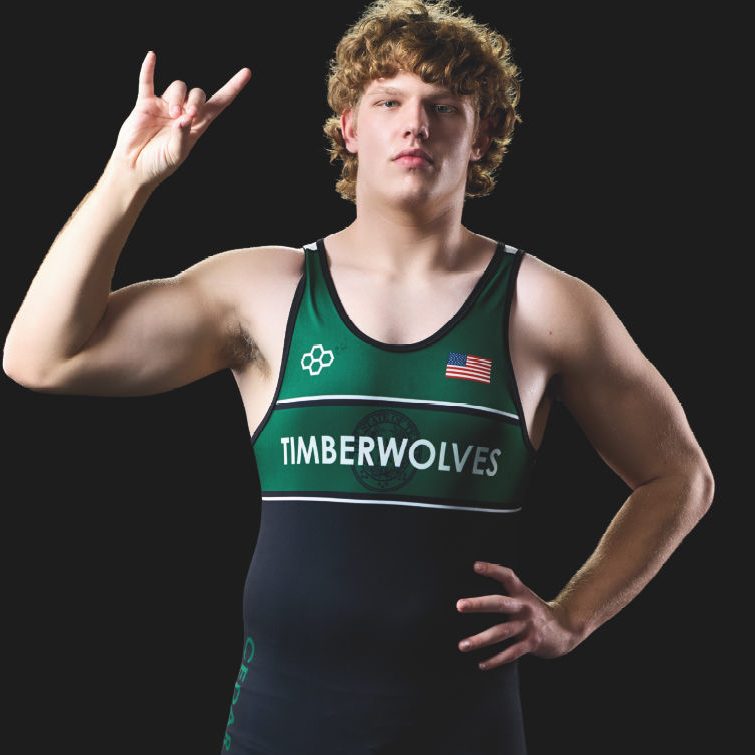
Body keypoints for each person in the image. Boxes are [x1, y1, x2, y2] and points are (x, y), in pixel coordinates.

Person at [3, 0, 714, 753]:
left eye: (444, 106)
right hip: (281, 725)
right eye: (389, 102)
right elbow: (41, 357)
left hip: (464, 730)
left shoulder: (545, 307)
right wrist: (127, 179)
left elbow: (679, 478)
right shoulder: (263, 289)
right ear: (349, 127)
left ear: (481, 137)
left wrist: (570, 617)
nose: (416, 125)